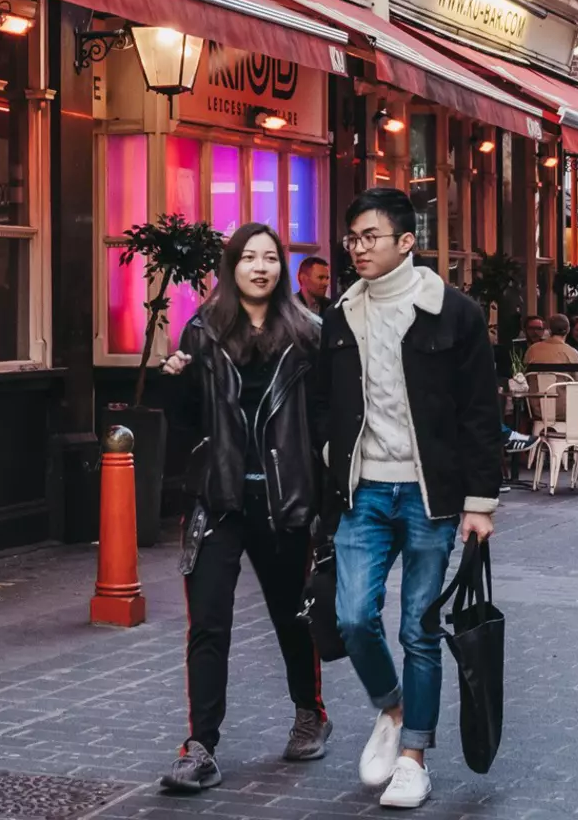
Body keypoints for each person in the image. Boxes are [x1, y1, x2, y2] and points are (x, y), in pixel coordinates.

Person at [320, 188, 498, 810]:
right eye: (352, 238)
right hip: (362, 490)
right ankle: (391, 709)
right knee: (351, 619)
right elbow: (327, 407)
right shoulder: (340, 315)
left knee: (419, 628)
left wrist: (481, 503)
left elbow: (480, 411)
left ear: (405, 242)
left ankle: (413, 758)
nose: (358, 248)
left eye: (371, 237)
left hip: (432, 495)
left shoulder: (454, 313)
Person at [158, 223, 329, 794]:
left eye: (271, 258)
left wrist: (324, 496)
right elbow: (185, 423)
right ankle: (201, 746)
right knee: (208, 622)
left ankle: (310, 713)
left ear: (282, 269)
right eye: (249, 258)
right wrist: (174, 383)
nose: (260, 267)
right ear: (231, 267)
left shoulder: (308, 333)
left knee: (290, 615)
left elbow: (326, 418)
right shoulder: (203, 331)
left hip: (283, 501)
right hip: (220, 498)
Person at [295, 255, 332, 322]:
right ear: (303, 278)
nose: (326, 283)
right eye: (320, 278)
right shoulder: (290, 306)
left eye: (327, 278)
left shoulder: (332, 308)